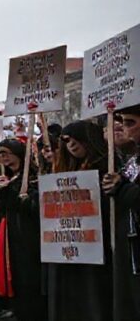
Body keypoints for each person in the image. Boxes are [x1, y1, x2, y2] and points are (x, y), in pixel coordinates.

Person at [48, 120, 113, 321]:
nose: (71, 145)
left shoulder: (108, 169)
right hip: (73, 246)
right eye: (66, 141)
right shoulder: (65, 174)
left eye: (76, 139)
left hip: (99, 247)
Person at [0, 139, 45, 320]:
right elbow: (0, 209)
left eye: (6, 152)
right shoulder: (4, 178)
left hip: (29, 235)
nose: (2, 157)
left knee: (29, 277)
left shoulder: (32, 177)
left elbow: (30, 207)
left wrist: (10, 193)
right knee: (16, 277)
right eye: (0, 154)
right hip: (11, 234)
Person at [103, 104, 140, 320]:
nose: (125, 129)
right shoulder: (133, 160)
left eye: (131, 123)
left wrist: (122, 188)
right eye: (123, 122)